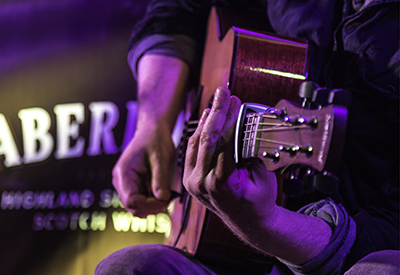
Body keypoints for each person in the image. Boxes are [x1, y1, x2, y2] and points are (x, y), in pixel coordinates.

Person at [96, 0, 399, 274]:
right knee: (127, 268)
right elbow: (182, 9)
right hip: (241, 246)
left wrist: (267, 224)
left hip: (338, 249)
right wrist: (153, 127)